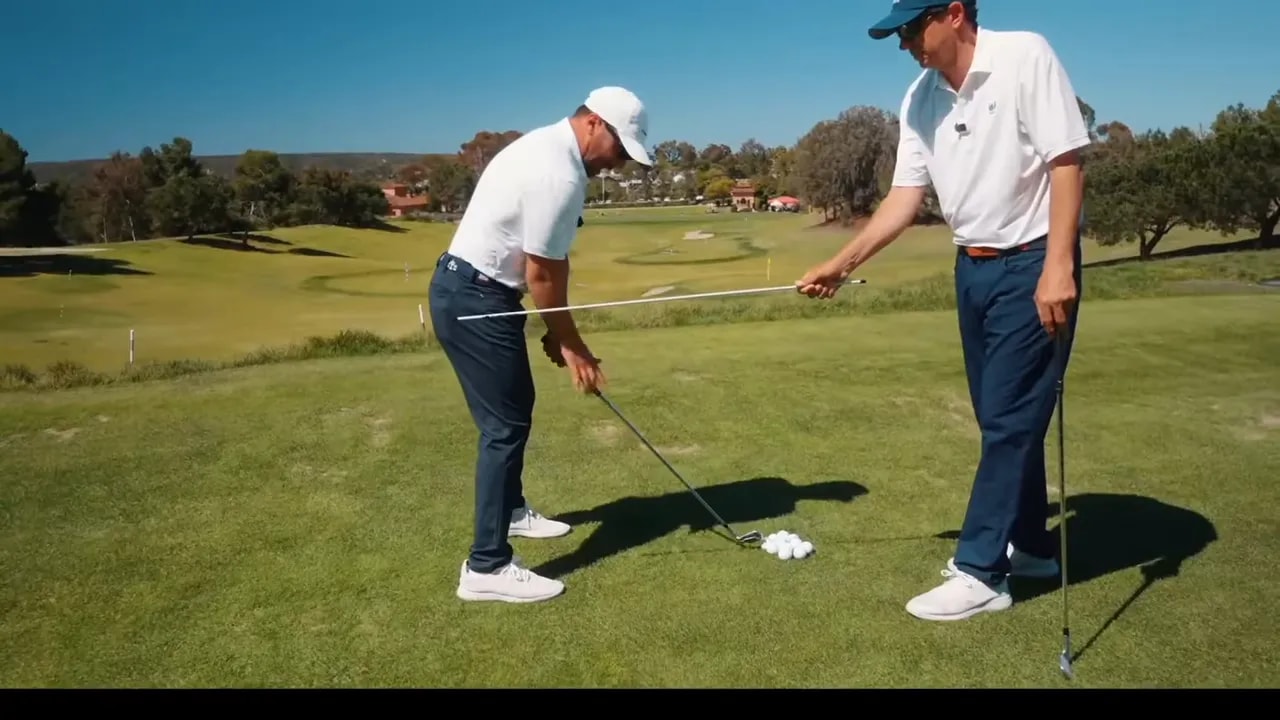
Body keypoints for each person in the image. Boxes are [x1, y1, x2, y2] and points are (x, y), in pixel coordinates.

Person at [796, 0, 1090, 621]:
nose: (905, 43)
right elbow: (905, 200)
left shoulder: (1024, 55)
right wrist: (841, 265)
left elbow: (1066, 163)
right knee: (1001, 418)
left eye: (910, 29)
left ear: (954, 13)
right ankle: (1032, 547)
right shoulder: (919, 97)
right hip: (972, 268)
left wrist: (1058, 265)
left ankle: (982, 569)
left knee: (1010, 420)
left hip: (1032, 260)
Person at [428, 86, 653, 603]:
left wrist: (557, 330)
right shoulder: (561, 172)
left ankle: (511, 511)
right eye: (620, 150)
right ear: (595, 123)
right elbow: (543, 273)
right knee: (503, 427)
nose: (618, 164)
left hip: (480, 291)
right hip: (476, 296)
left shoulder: (549, 148)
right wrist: (572, 343)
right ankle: (486, 566)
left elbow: (552, 262)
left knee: (515, 411)